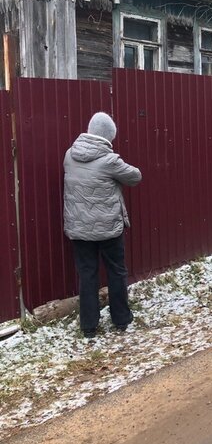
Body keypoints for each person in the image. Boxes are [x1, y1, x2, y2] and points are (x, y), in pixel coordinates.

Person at [63, 112, 142, 338]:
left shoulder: (69, 155)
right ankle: (121, 319)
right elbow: (136, 176)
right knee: (116, 272)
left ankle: (89, 326)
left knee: (87, 275)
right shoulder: (110, 161)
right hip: (108, 229)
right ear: (108, 136)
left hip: (79, 230)